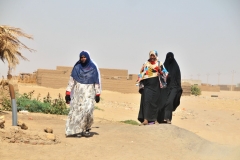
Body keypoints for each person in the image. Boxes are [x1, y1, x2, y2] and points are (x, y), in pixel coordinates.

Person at [65, 50, 101, 137]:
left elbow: (96, 81)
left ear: (87, 58)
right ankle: (76, 130)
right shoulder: (77, 68)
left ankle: (86, 128)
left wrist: (97, 94)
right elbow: (71, 81)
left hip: (89, 93)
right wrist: (68, 93)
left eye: (84, 57)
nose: (83, 59)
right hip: (78, 93)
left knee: (88, 110)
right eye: (81, 57)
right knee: (77, 111)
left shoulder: (93, 68)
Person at [138, 50, 163, 125]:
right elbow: (141, 73)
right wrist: (139, 81)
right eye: (151, 55)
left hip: (156, 86)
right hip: (147, 86)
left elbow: (165, 74)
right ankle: (145, 120)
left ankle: (154, 120)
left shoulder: (159, 63)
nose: (152, 57)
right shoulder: (146, 64)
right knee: (146, 102)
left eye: (153, 56)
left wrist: (160, 71)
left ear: (156, 56)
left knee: (155, 103)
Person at [157, 52, 182, 124]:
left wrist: (178, 88)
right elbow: (161, 76)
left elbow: (178, 78)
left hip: (174, 87)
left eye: (171, 57)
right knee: (163, 102)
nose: (169, 59)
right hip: (165, 87)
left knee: (170, 102)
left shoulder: (176, 67)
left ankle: (167, 118)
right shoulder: (164, 66)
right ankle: (161, 118)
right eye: (168, 58)